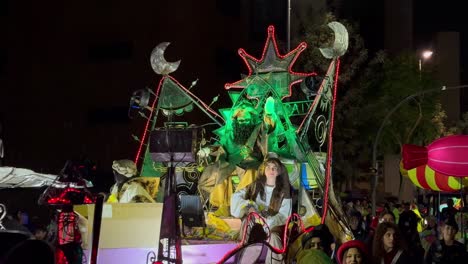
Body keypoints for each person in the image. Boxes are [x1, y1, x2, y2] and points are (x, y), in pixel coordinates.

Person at [231, 157, 292, 264]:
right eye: (268, 167)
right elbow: (237, 196)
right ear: (264, 170)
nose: (271, 170)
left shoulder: (284, 192)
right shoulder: (255, 185)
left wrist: (267, 221)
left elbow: (284, 215)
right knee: (247, 223)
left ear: (279, 171)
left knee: (274, 237)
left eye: (274, 168)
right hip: (256, 223)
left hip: (273, 225)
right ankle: (243, 260)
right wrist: (248, 206)